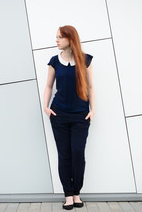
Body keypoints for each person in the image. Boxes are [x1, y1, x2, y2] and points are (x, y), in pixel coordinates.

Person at [43, 25, 94, 210]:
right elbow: (49, 86)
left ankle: (77, 192)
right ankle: (68, 195)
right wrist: (46, 108)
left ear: (70, 39)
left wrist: (92, 110)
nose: (56, 40)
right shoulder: (54, 62)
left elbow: (90, 87)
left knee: (78, 154)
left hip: (81, 115)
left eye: (59, 37)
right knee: (64, 155)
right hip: (59, 115)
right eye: (56, 37)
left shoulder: (85, 60)